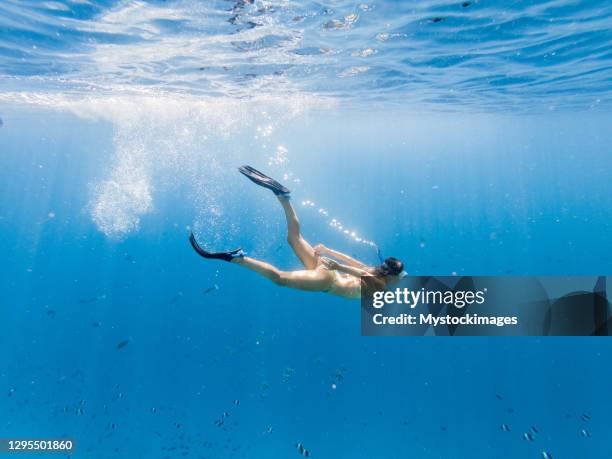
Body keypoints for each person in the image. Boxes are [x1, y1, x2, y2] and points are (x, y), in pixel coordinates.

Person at [189, 165, 405, 299]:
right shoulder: (379, 285)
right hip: (327, 281)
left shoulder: (375, 271)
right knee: (280, 278)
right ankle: (238, 258)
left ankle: (284, 197)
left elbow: (354, 264)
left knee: (294, 238)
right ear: (391, 276)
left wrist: (330, 252)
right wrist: (337, 264)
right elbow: (360, 274)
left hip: (326, 268)